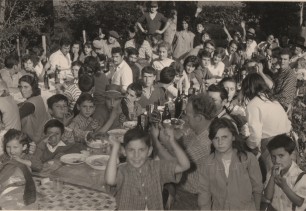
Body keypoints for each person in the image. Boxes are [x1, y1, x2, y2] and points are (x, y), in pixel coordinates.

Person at [154, 93, 218, 210]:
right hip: (180, 188)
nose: (184, 118)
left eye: (187, 115)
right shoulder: (196, 130)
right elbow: (178, 150)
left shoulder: (206, 142)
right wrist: (167, 139)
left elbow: (175, 163)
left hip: (191, 198)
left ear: (199, 118)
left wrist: (155, 141)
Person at [105, 127, 190, 210]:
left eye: (141, 150)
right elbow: (110, 180)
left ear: (149, 151)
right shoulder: (122, 170)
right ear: (124, 151)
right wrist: (115, 148)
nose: (136, 155)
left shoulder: (157, 168)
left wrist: (172, 141)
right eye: (131, 150)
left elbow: (185, 165)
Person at [198, 118, 262, 210]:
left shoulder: (247, 159)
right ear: (211, 140)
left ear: (233, 137)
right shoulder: (208, 163)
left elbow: (257, 188)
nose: (220, 142)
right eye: (216, 138)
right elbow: (204, 194)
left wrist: (257, 208)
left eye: (224, 137)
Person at [241, 73, 291, 173]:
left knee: (273, 178)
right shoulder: (273, 101)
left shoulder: (253, 104)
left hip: (271, 146)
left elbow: (255, 136)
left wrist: (247, 143)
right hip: (287, 142)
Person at [264, 134, 306, 211]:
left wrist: (284, 186)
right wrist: (272, 178)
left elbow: (299, 202)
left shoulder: (300, 176)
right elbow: (267, 197)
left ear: (291, 154)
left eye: (281, 156)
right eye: (273, 156)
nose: (277, 161)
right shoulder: (271, 172)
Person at [18, 75, 49, 143]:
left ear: (33, 87)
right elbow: (24, 104)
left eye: (26, 87)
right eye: (20, 87)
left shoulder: (29, 105)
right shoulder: (38, 97)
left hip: (32, 140)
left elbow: (13, 117)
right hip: (40, 135)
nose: (22, 90)